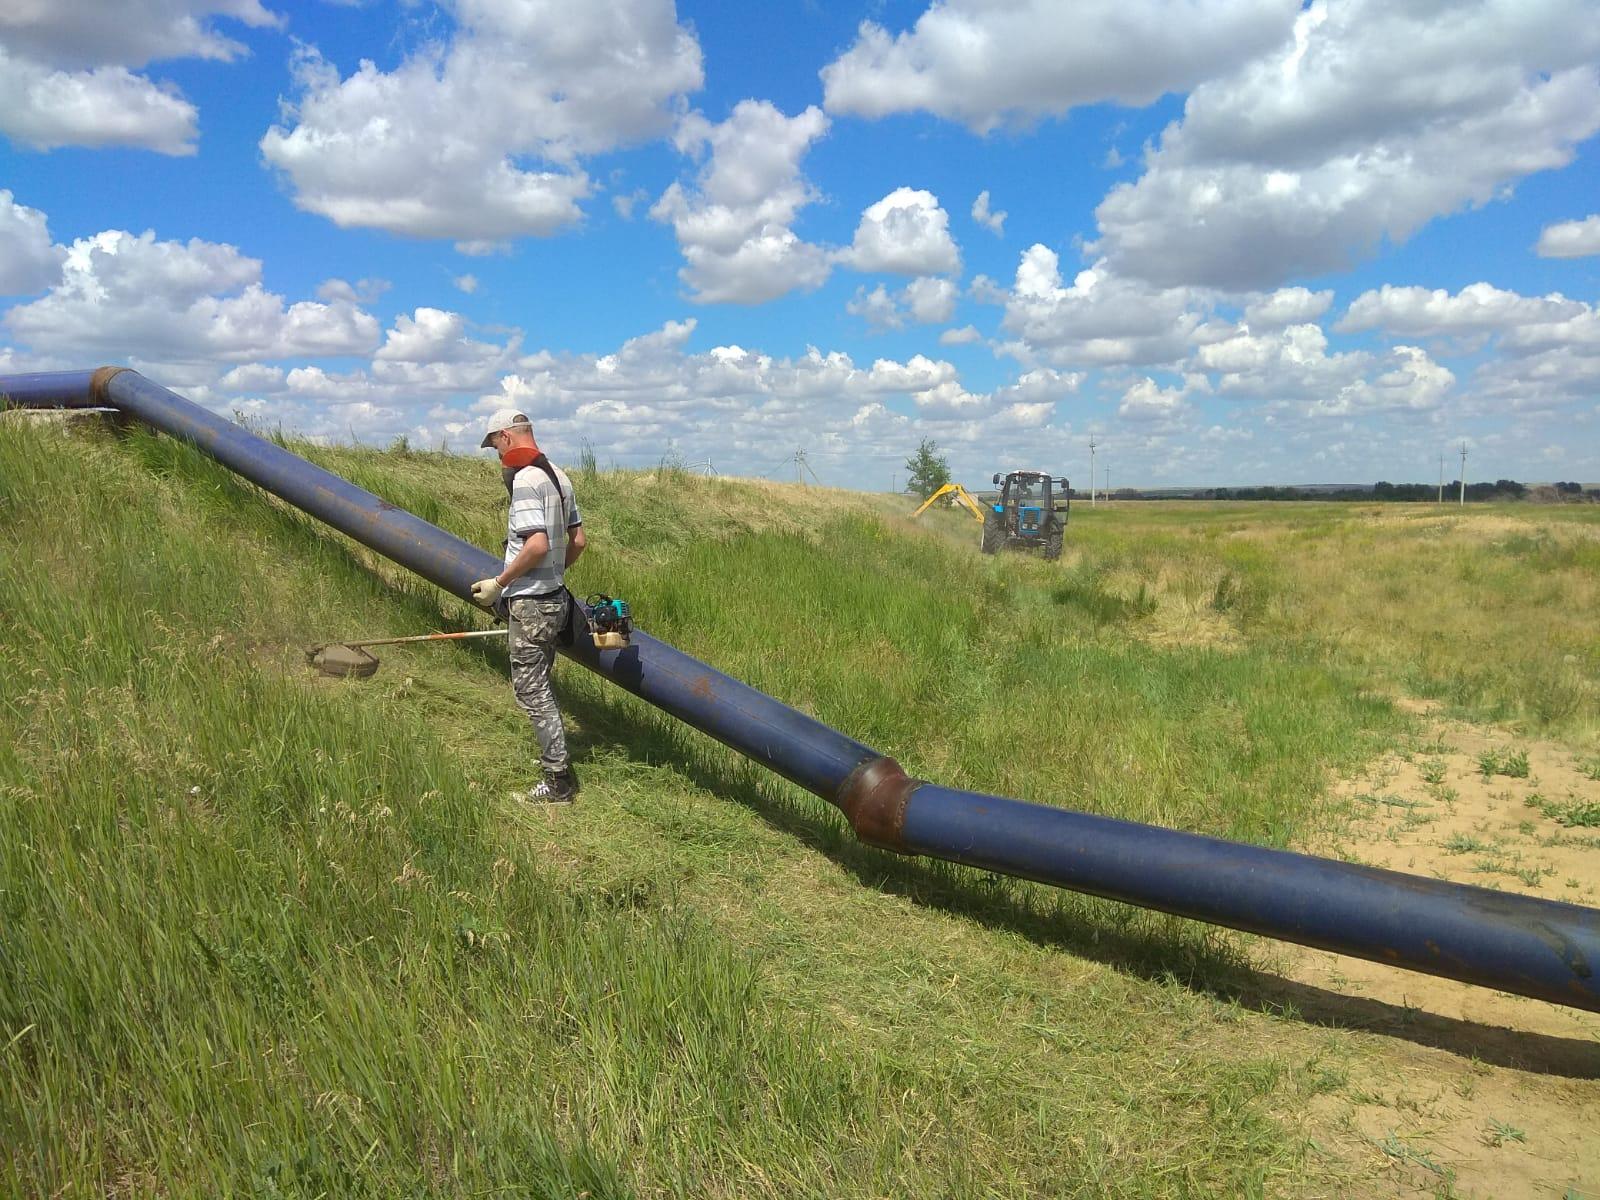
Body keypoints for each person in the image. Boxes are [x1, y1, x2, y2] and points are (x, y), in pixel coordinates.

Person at [470, 409, 586, 803]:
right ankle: (555, 765)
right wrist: (553, 574)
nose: (496, 455)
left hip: (533, 605)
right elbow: (579, 542)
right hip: (555, 599)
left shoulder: (525, 479)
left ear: (505, 437)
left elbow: (535, 544)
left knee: (531, 690)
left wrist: (499, 585)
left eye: (494, 446)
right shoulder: (559, 475)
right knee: (542, 685)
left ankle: (558, 781)